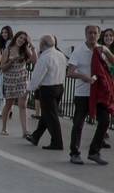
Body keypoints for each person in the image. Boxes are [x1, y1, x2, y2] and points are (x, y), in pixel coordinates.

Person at [67, 25, 114, 165]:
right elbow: (70, 73)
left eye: (95, 33)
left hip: (99, 93)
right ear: (85, 34)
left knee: (105, 121)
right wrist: (85, 77)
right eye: (90, 33)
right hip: (83, 93)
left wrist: (106, 51)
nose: (92, 35)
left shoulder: (101, 49)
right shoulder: (79, 50)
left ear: (99, 35)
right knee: (78, 124)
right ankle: (74, 153)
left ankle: (94, 152)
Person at [26, 35, 66, 151]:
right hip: (59, 87)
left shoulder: (44, 57)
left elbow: (37, 76)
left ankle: (57, 142)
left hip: (48, 89)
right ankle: (35, 136)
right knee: (46, 115)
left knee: (51, 117)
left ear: (42, 44)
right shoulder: (60, 55)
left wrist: (29, 89)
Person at [0, 30, 36, 137]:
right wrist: (12, 61)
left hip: (22, 79)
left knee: (23, 105)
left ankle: (25, 131)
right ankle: (4, 128)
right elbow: (2, 68)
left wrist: (32, 46)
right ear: (16, 37)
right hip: (10, 80)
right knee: (9, 104)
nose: (21, 40)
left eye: (24, 39)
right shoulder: (8, 50)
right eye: (20, 38)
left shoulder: (25, 50)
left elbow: (34, 61)